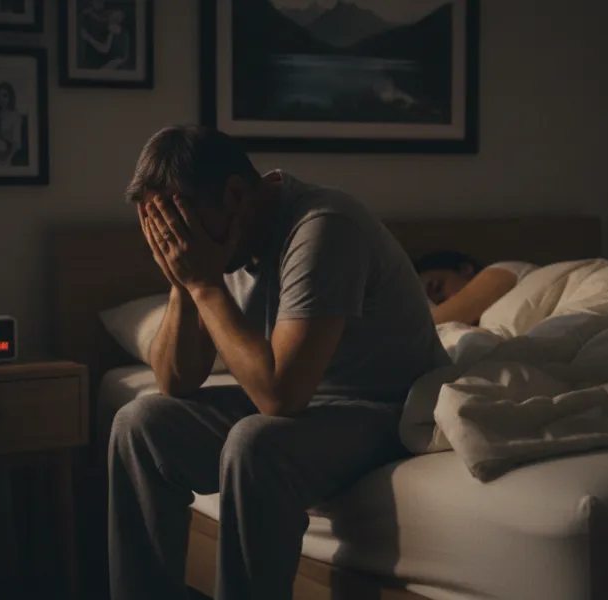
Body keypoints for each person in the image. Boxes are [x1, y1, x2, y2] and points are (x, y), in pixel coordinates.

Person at [109, 125, 450, 600]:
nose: (177, 238)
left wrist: (205, 283)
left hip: (387, 409)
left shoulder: (324, 226)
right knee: (138, 422)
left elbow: (279, 396)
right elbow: (175, 381)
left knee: (255, 442)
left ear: (234, 194)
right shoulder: (217, 245)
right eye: (166, 229)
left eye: (183, 222)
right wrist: (183, 280)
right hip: (312, 410)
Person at [414, 251, 537, 325]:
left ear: (465, 269)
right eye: (432, 303)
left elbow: (425, 324)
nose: (440, 303)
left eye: (437, 288)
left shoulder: (502, 270)